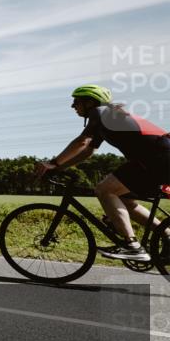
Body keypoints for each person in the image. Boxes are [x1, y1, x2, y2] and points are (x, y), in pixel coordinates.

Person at [35, 85, 170, 262]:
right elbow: (87, 151)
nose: (73, 106)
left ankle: (132, 246)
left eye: (76, 101)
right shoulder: (108, 118)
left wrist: (53, 163)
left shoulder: (100, 112)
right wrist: (60, 168)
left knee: (104, 190)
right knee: (126, 200)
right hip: (157, 160)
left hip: (156, 159)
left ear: (90, 102)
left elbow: (82, 141)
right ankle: (167, 235)